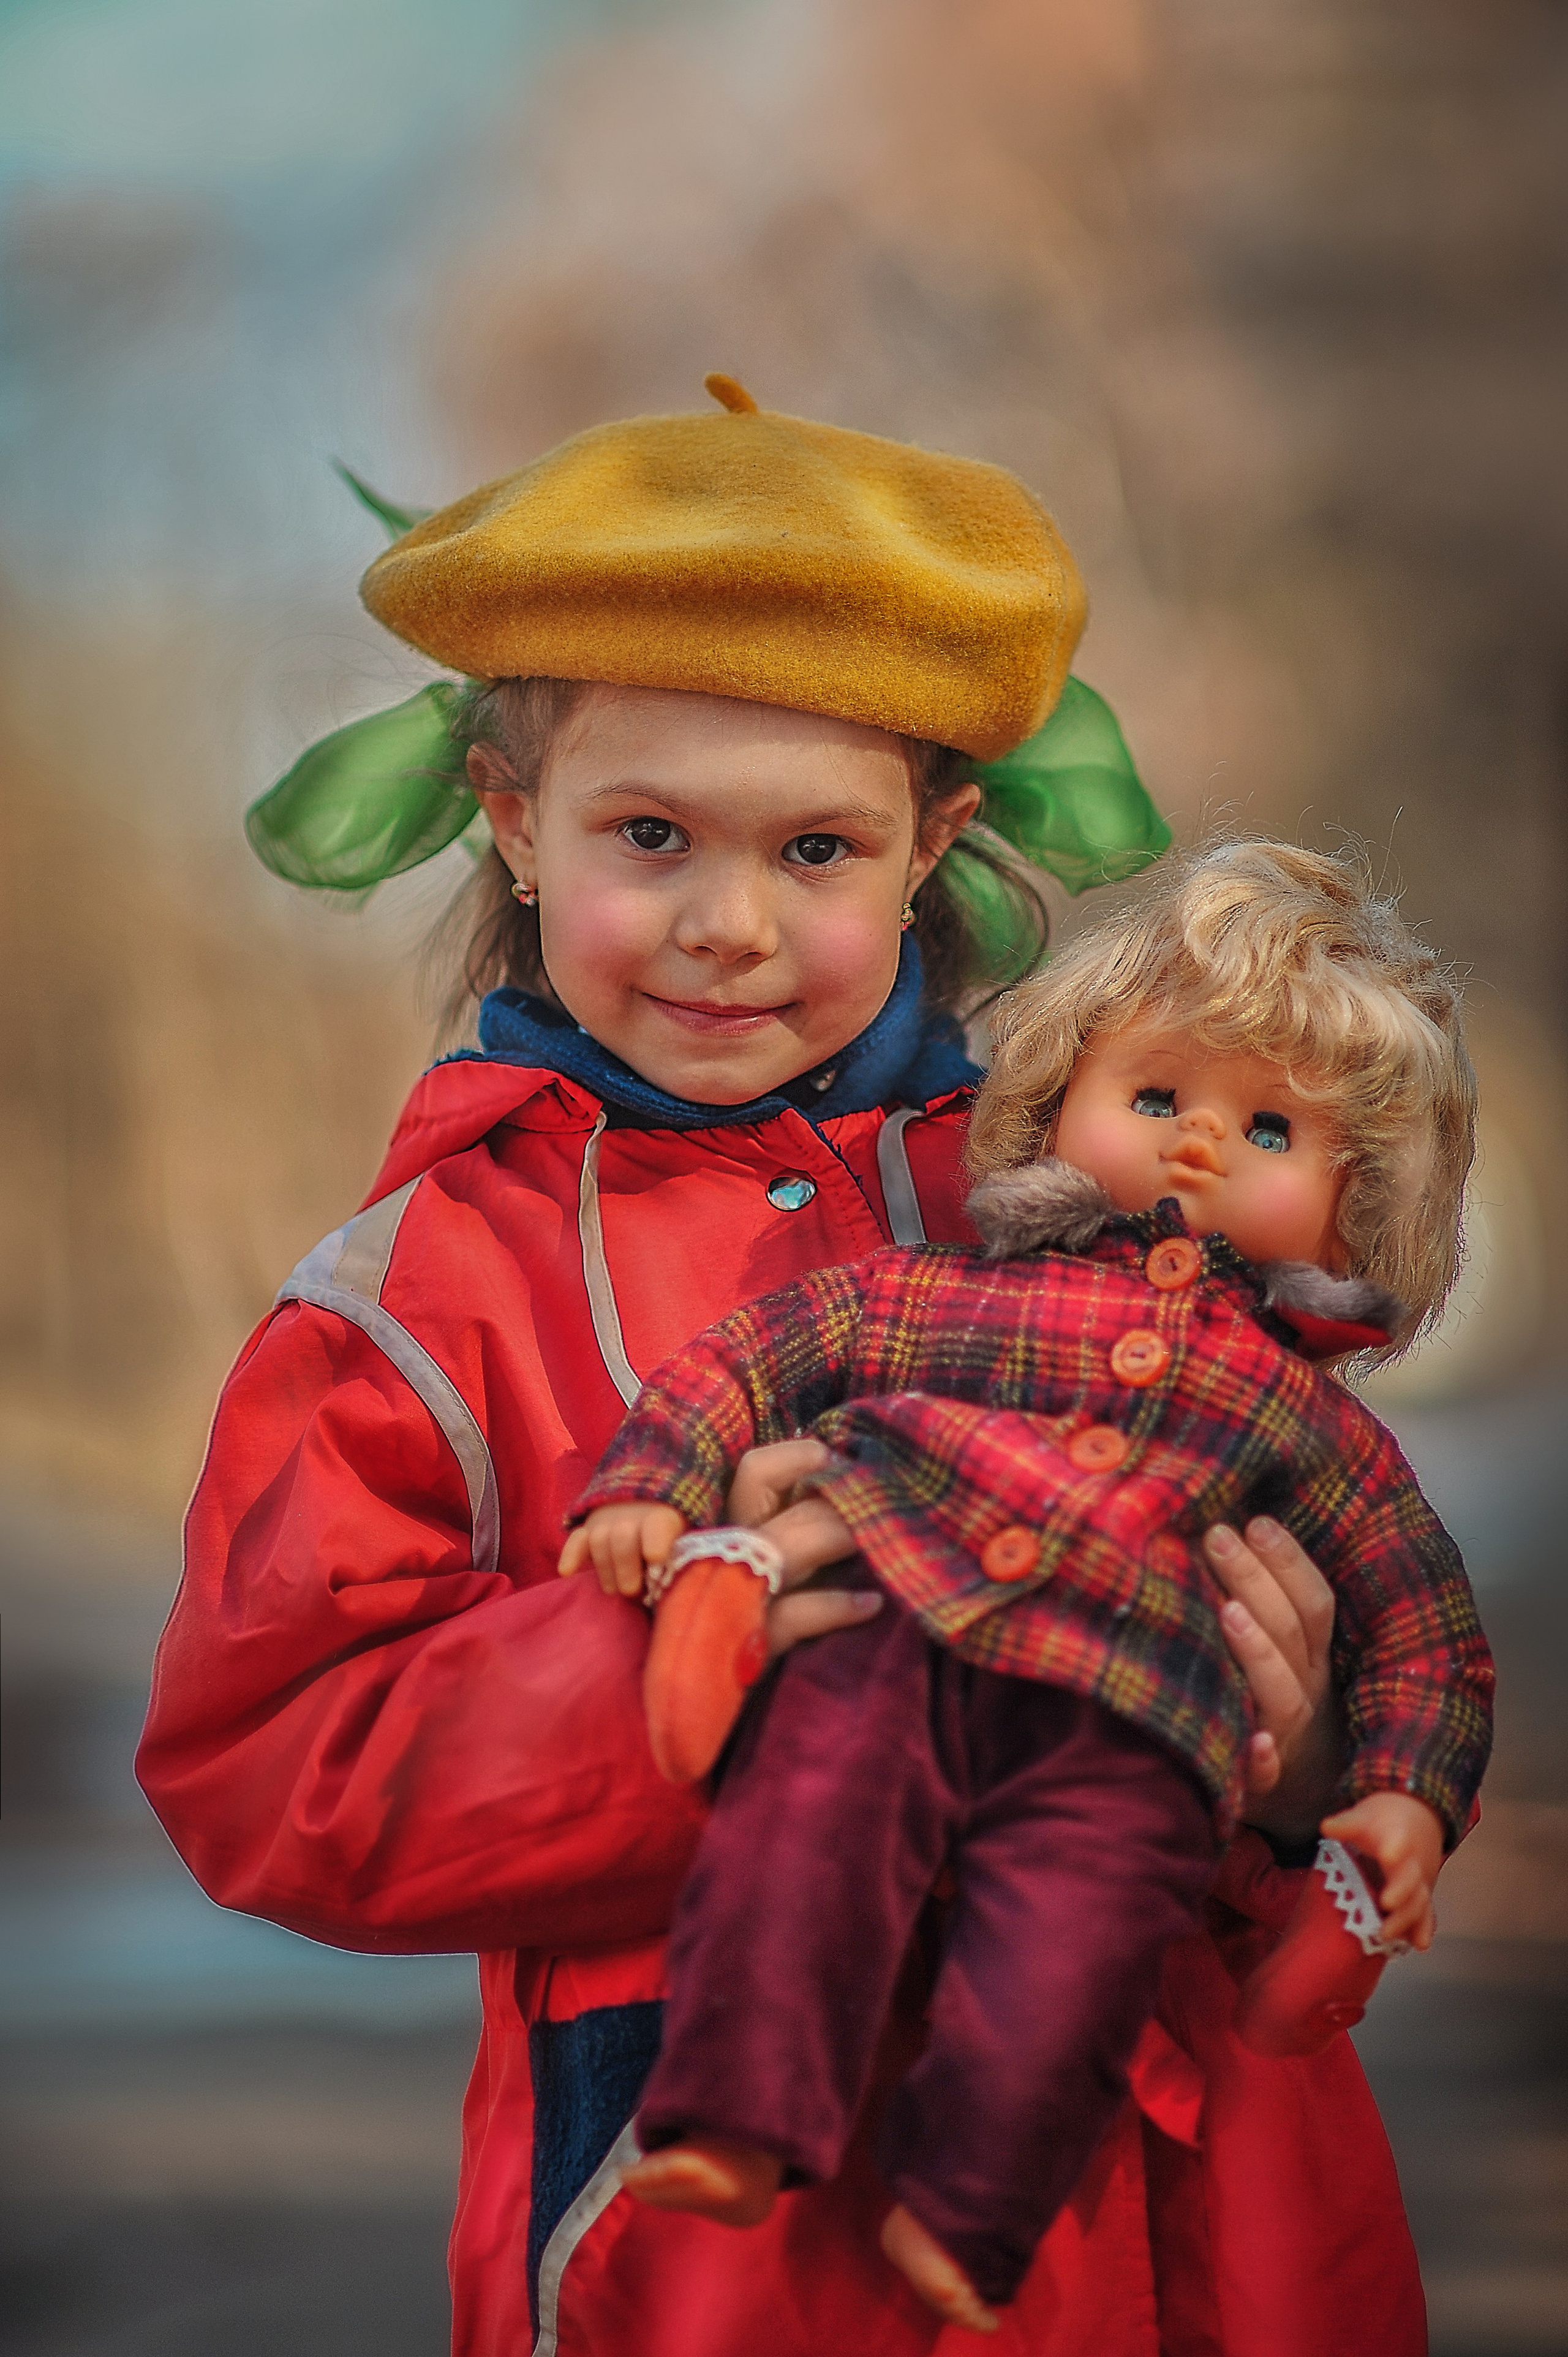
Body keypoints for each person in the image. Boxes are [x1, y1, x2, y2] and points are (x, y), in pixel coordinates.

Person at [136, 379, 1427, 2357]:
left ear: (933, 843)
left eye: (817, 846)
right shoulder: (414, 1289)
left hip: (1176, 2202)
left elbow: (1320, 1548)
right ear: (513, 817)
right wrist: (662, 1672)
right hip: (722, 2241)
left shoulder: (1080, 1186)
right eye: (650, 832)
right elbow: (261, 1760)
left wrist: (1312, 1754)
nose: (731, 924)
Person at [566, 840, 1494, 2333]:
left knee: (1070, 1956)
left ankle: (969, 2215)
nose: (1194, 1145)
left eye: (1264, 1126)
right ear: (1059, 1100)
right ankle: (736, 2109)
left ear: (1349, 1204)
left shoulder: (1307, 1422)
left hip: (1132, 1732)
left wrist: (1399, 1793)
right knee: (801, 1838)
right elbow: (753, 1358)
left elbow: (1423, 1628)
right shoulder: (943, 1295)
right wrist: (650, 1490)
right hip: (892, 1636)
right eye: (1152, 1097)